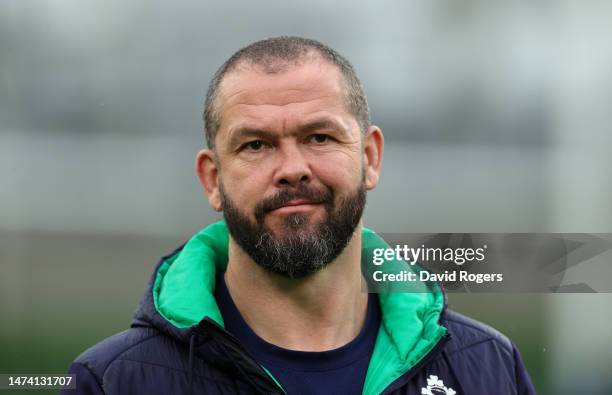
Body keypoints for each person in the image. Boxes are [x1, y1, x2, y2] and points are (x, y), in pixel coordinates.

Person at [63, 36, 536, 395]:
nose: (292, 169)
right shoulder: (112, 381)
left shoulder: (487, 367)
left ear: (370, 158)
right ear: (212, 179)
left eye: (319, 137)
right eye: (256, 145)